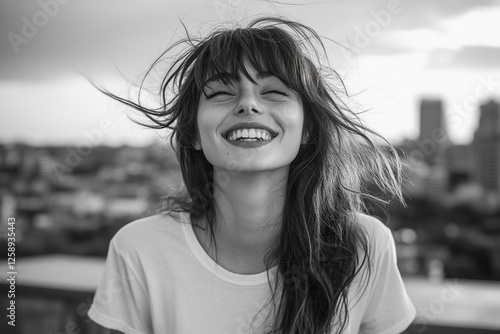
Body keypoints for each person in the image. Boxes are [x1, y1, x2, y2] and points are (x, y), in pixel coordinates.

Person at [87, 16, 416, 334]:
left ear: (308, 129)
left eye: (274, 91)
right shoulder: (139, 249)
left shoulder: (366, 244)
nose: (248, 104)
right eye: (220, 93)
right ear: (192, 135)